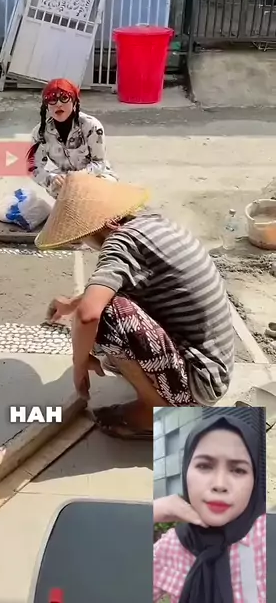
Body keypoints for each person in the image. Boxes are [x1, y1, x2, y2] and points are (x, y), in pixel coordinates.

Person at [36, 172, 235, 439]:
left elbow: (88, 315)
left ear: (98, 228)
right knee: (109, 311)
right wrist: (72, 303)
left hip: (198, 382)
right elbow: (118, 285)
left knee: (107, 319)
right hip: (214, 369)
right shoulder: (152, 223)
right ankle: (162, 393)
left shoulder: (120, 244)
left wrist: (79, 364)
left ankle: (155, 413)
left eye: (84, 236)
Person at [153, 413, 266, 602]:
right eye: (205, 466)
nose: (219, 485)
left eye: (238, 470)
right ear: (186, 471)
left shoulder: (265, 537)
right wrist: (152, 511)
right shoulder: (172, 546)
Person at [27, 78, 116, 199]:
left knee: (94, 192)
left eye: (64, 98)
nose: (58, 104)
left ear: (74, 101)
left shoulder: (92, 126)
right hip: (66, 178)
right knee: (57, 187)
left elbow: (99, 163)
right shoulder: (40, 133)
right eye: (52, 99)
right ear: (46, 106)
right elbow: (32, 167)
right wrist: (51, 179)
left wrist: (77, 178)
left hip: (95, 175)